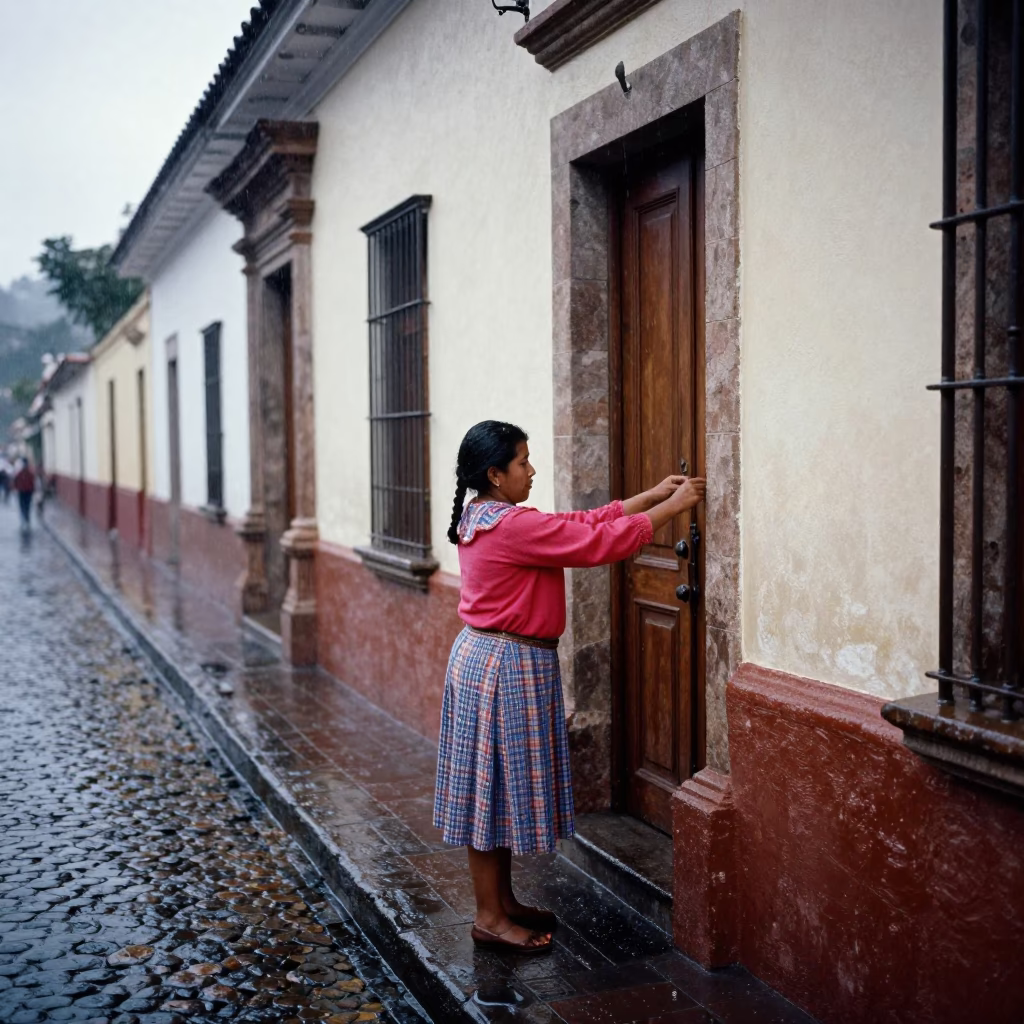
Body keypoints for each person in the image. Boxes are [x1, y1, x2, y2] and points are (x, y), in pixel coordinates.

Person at [433, 420, 706, 955]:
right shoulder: (507, 526)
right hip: (503, 667)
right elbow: (592, 542)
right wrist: (671, 510)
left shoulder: (487, 516)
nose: (531, 470)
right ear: (494, 473)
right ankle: (489, 917)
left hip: (494, 660)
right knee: (491, 795)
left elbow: (576, 523)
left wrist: (647, 496)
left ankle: (501, 902)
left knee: (496, 792)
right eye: (522, 463)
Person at [13, 458, 35, 530]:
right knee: (23, 506)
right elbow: (15, 481)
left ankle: (26, 519)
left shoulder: (29, 473)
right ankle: (25, 519)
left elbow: (32, 483)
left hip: (27, 492)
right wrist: (17, 488)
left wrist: (32, 490)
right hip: (22, 492)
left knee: (26, 506)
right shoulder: (21, 473)